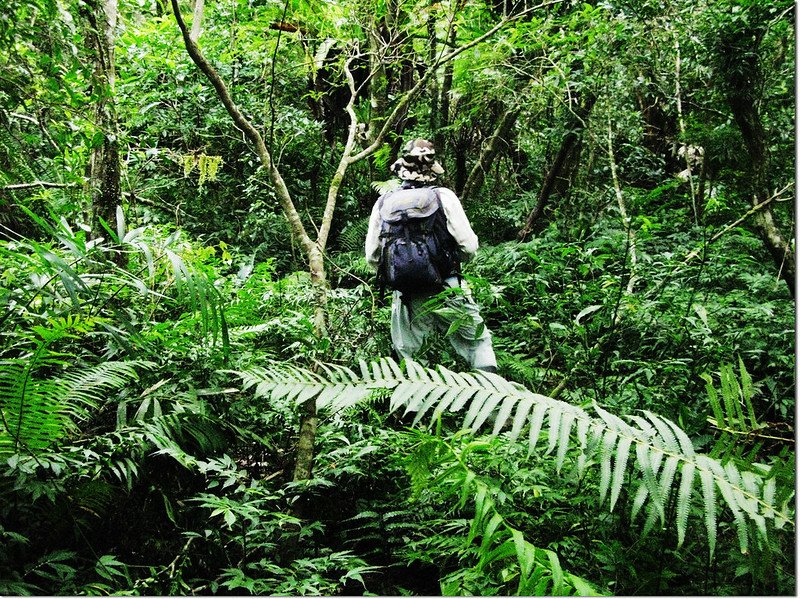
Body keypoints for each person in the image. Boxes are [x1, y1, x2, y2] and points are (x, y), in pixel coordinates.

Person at [365, 138, 497, 373]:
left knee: (411, 355)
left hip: (407, 294)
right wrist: (449, 264)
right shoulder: (443, 197)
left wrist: (403, 270)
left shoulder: (383, 203)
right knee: (477, 344)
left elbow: (372, 257)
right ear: (432, 169)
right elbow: (469, 246)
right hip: (448, 286)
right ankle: (491, 400)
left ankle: (417, 408)